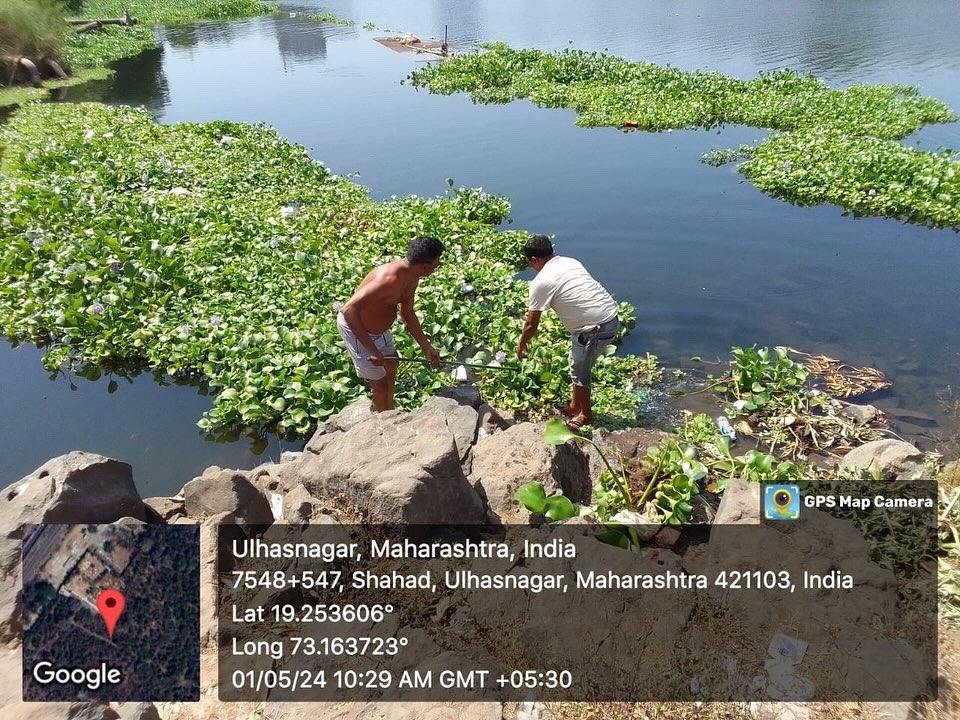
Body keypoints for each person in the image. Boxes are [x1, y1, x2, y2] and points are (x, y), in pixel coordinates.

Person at [516, 235, 620, 430]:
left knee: (580, 371)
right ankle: (574, 406)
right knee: (576, 363)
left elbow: (531, 323)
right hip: (611, 318)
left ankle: (585, 415)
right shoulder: (570, 262)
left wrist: (522, 343)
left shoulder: (540, 282)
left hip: (593, 329)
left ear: (533, 260)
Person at [338, 236, 444, 411]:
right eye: (436, 264)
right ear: (425, 266)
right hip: (357, 330)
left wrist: (426, 347)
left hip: (379, 331)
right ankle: (383, 417)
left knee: (392, 364)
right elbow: (348, 310)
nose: (436, 267)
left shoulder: (412, 277)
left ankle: (386, 408)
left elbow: (407, 314)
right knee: (380, 385)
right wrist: (371, 350)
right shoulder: (387, 280)